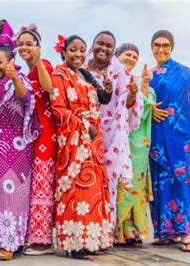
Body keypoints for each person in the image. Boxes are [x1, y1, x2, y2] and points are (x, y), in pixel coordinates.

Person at [51, 34, 113, 259]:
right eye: (73, 50)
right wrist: (84, 126)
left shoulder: (85, 75)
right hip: (75, 140)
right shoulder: (59, 74)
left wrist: (107, 89)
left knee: (94, 191)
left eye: (82, 50)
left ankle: (92, 240)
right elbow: (58, 109)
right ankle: (74, 245)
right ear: (63, 52)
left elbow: (102, 98)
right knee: (78, 191)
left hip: (92, 141)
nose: (78, 54)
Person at [148, 30, 190, 252]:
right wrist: (150, 111)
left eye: (166, 45)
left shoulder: (183, 73)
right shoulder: (149, 75)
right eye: (157, 45)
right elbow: (140, 103)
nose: (161, 49)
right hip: (157, 138)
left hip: (181, 140)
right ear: (151, 47)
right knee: (160, 184)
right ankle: (165, 231)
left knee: (181, 183)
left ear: (172, 47)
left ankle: (183, 234)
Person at [0, 45, 41, 260]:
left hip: (15, 147)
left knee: (10, 192)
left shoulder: (19, 79)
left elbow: (26, 99)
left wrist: (13, 78)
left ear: (11, 62)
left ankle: (10, 243)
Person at [85, 31, 143, 227]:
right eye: (100, 44)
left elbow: (126, 106)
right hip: (83, 131)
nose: (103, 48)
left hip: (111, 135)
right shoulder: (79, 68)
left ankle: (103, 232)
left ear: (113, 51)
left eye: (109, 46)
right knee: (83, 179)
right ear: (92, 45)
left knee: (107, 183)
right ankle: (83, 230)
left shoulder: (121, 73)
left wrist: (133, 94)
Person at [15, 24, 56, 255]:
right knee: (33, 185)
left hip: (45, 132)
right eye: (21, 44)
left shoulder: (45, 66)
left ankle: (44, 242)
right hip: (29, 134)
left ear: (38, 47)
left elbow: (49, 87)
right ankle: (33, 235)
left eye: (29, 44)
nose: (24, 47)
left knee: (43, 183)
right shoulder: (20, 72)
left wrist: (39, 61)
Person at [115, 43, 155, 247]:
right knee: (118, 185)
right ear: (117, 56)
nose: (131, 58)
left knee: (134, 187)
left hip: (136, 145)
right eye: (127, 54)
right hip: (115, 142)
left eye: (134, 56)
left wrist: (145, 86)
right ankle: (118, 232)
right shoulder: (111, 78)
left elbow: (146, 110)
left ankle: (134, 232)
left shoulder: (140, 82)